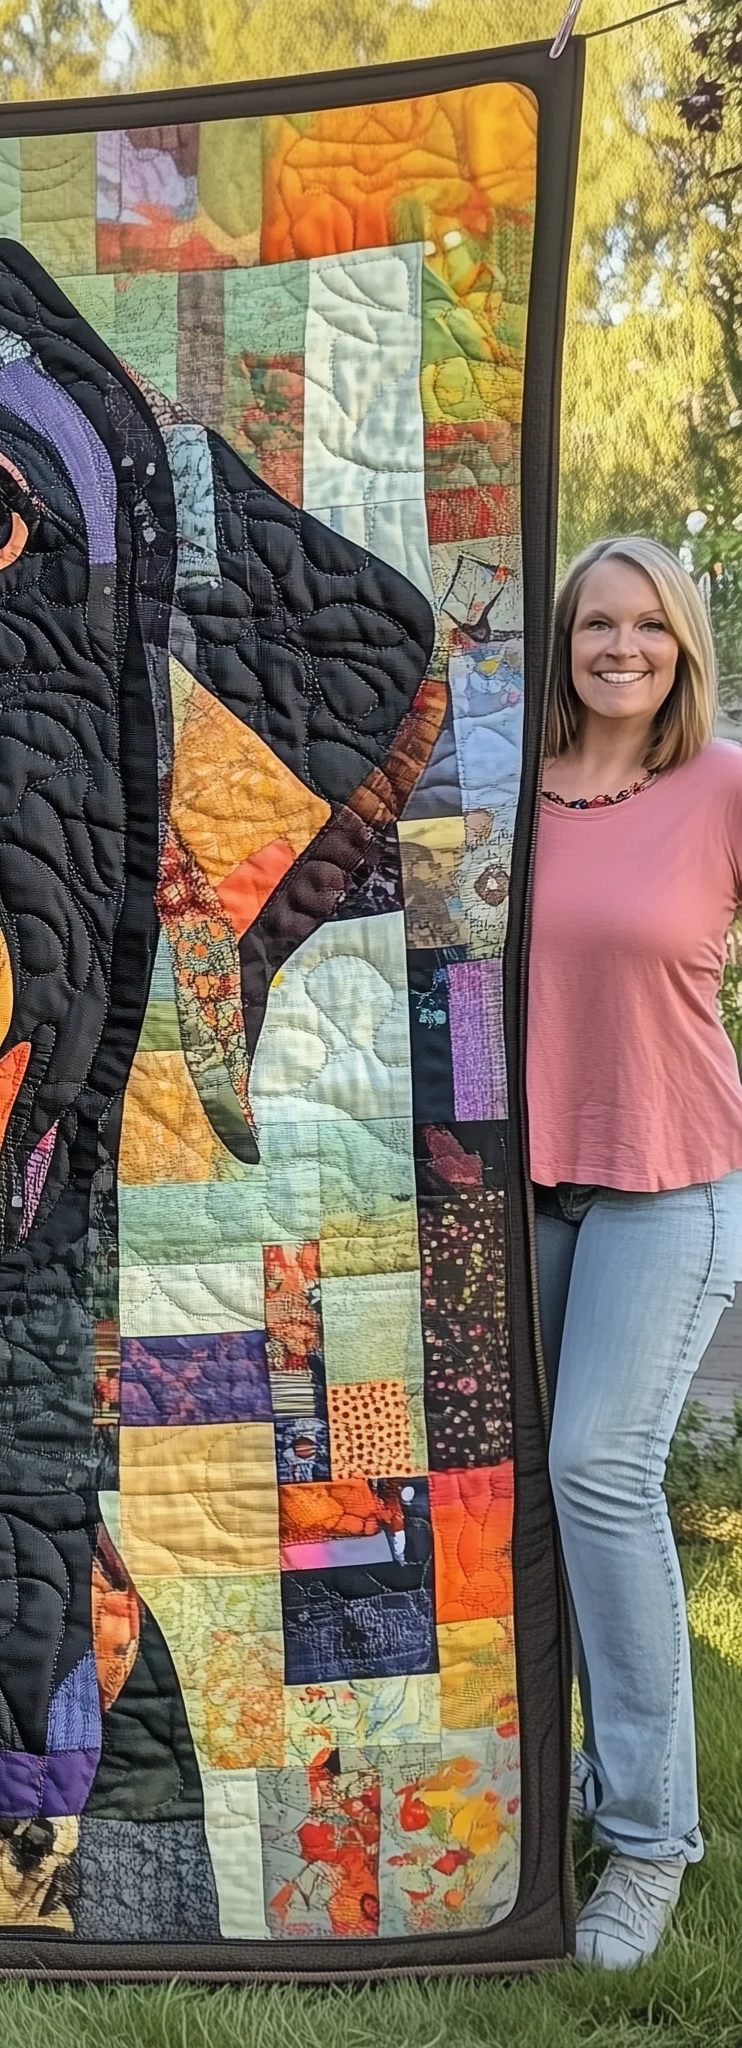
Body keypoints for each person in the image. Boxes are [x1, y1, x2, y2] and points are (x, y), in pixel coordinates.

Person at [528, 534, 742, 1969]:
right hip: (518, 1192)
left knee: (599, 1468)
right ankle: (534, 1786)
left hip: (670, 1182)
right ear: (565, 641)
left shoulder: (721, 786)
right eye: (598, 623)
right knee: (516, 1499)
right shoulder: (505, 794)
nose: (623, 648)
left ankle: (651, 1839)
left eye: (651, 626)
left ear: (684, 649)